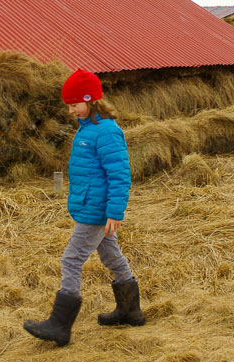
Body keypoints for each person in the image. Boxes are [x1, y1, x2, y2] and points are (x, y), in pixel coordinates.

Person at [23, 69, 145, 347]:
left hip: (97, 210)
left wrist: (115, 212)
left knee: (71, 259)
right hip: (92, 206)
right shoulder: (87, 127)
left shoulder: (106, 131)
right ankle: (130, 310)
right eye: (68, 105)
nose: (70, 110)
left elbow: (119, 174)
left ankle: (60, 325)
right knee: (112, 256)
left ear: (91, 101)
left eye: (75, 104)